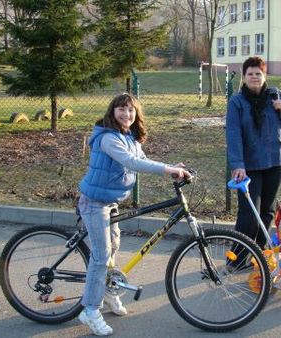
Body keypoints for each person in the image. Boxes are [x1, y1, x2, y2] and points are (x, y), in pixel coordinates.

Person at [77, 93, 191, 336]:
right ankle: (90, 309)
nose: (126, 114)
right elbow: (131, 162)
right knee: (101, 255)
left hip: (111, 201)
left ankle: (107, 293)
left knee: (114, 247)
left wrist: (173, 168)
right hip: (95, 203)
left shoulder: (129, 137)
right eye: (121, 109)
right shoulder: (108, 138)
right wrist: (167, 170)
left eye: (130, 110)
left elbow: (142, 159)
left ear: (136, 114)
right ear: (112, 111)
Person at [226, 56, 281, 265]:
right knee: (249, 213)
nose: (255, 77)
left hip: (276, 161)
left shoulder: (275, 95)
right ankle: (237, 258)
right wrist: (237, 164)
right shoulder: (237, 102)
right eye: (250, 74)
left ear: (264, 75)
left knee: (266, 211)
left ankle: (261, 254)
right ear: (244, 77)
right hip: (249, 166)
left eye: (258, 73)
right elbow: (233, 134)